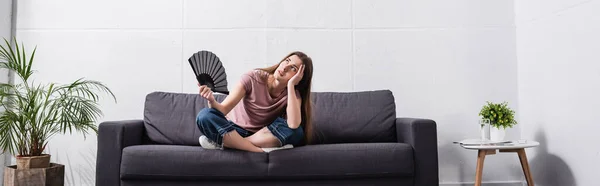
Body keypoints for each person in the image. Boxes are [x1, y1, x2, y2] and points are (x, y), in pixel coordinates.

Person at [195, 51, 313, 153]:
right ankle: (257, 150)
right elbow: (223, 110)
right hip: (233, 130)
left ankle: (229, 144)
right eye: (287, 60)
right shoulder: (253, 77)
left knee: (297, 132)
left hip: (262, 136)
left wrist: (291, 85)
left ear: (299, 77)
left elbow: (293, 125)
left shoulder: (292, 94)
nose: (285, 67)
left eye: (293, 68)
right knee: (204, 116)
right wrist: (211, 100)